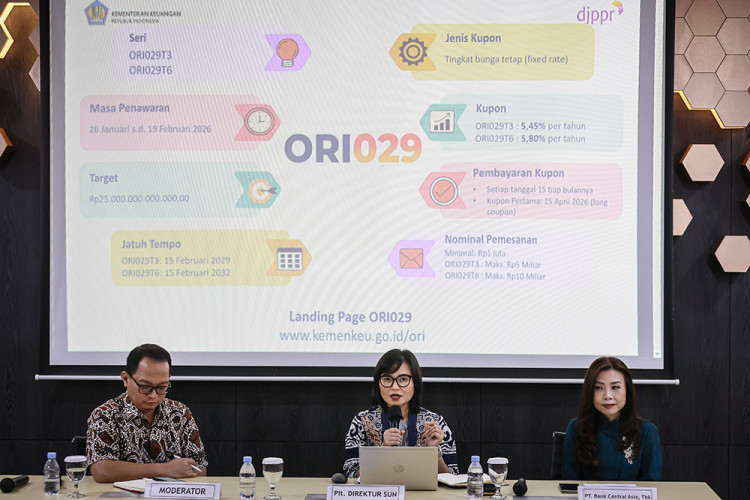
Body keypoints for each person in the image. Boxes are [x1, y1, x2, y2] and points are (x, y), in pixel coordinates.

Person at [86, 344, 208, 482]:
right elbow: (102, 471)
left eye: (162, 387)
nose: (153, 395)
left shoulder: (179, 413)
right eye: (145, 387)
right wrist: (165, 469)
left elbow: (200, 468)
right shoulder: (105, 415)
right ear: (126, 379)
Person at [343, 349, 458, 478]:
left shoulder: (434, 422)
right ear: (378, 383)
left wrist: (434, 451)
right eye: (387, 379)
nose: (395, 387)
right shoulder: (362, 420)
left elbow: (452, 477)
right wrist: (382, 450)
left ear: (415, 383)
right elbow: (352, 475)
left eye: (403, 379)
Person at [562, 356, 662, 481]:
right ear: (589, 392)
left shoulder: (647, 431)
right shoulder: (576, 428)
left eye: (615, 387)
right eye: (598, 388)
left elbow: (652, 484)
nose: (608, 396)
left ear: (627, 390)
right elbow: (569, 483)